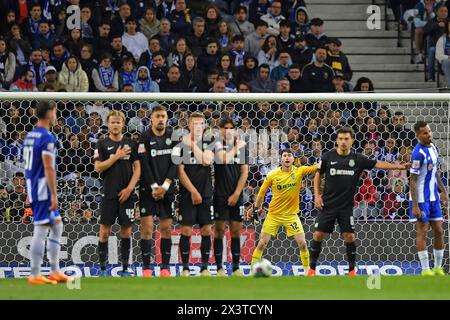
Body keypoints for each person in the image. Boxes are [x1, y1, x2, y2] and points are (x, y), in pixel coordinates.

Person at [308, 127, 409, 276]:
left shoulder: (358, 159)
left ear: (352, 141)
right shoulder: (328, 157)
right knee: (318, 235)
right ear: (336, 140)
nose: (343, 142)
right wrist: (317, 196)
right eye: (340, 139)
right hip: (327, 205)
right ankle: (311, 269)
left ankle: (351, 271)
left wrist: (398, 166)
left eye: (346, 139)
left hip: (346, 206)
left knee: (349, 236)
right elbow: (317, 175)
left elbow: (377, 163)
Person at [24, 101, 73, 285]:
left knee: (57, 225)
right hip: (42, 188)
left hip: (33, 185)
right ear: (50, 114)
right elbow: (49, 168)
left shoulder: (30, 135)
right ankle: (35, 274)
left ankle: (54, 271)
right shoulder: (46, 137)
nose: (56, 115)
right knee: (41, 228)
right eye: (55, 112)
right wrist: (54, 194)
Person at [252, 148, 319, 274]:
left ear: (293, 159)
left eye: (289, 155)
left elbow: (316, 167)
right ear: (281, 159)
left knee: (303, 244)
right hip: (274, 215)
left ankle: (307, 272)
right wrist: (256, 209)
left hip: (291, 216)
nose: (287, 158)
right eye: (284, 156)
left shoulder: (299, 171)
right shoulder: (272, 174)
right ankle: (253, 271)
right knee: (262, 244)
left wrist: (329, 159)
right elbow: (261, 194)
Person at [94, 111, 141, 277]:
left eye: (118, 122)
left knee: (126, 232)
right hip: (108, 194)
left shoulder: (131, 144)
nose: (115, 125)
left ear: (123, 124)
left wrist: (130, 189)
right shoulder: (101, 144)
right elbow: (98, 168)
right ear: (108, 124)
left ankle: (126, 268)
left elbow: (138, 169)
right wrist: (116, 156)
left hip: (127, 194)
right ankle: (102, 269)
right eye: (112, 122)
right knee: (104, 232)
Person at [138, 105, 177, 278]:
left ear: (167, 118)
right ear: (151, 119)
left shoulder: (173, 136)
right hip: (148, 190)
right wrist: (155, 187)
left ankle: (165, 268)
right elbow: (144, 165)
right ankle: (147, 268)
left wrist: (165, 186)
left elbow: (176, 163)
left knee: (166, 228)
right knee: (147, 229)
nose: (161, 119)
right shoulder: (144, 137)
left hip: (167, 190)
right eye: (158, 116)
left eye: (163, 116)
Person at [176, 112, 215, 276]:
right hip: (187, 194)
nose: (198, 126)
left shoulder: (210, 142)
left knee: (206, 230)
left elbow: (206, 161)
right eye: (195, 123)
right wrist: (192, 191)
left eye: (201, 123)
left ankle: (204, 267)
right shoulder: (179, 146)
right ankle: (185, 268)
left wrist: (192, 144)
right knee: (186, 231)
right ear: (189, 126)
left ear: (204, 126)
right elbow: (180, 171)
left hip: (206, 194)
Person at [409, 121, 448, 276]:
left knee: (439, 230)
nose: (429, 134)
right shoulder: (417, 153)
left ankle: (438, 267)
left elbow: (436, 172)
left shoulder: (433, 148)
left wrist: (443, 191)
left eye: (429, 131)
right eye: (425, 133)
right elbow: (412, 180)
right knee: (422, 231)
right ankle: (425, 270)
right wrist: (415, 205)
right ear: (418, 135)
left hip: (434, 198)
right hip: (421, 199)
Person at [213, 118, 248, 276]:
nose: (228, 130)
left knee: (236, 231)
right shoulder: (215, 145)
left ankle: (235, 268)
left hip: (236, 195)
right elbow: (224, 160)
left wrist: (236, 193)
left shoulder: (242, 148)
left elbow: (244, 172)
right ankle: (219, 267)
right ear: (220, 130)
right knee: (219, 230)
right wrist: (236, 147)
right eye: (224, 128)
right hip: (219, 194)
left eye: (231, 128)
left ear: (235, 130)